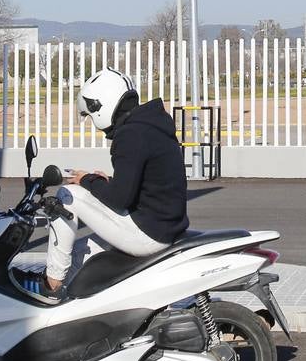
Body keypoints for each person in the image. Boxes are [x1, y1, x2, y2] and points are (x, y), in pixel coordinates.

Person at [21, 68, 189, 301]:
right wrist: (104, 182)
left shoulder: (130, 135)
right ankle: (65, 304)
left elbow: (121, 198)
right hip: (162, 225)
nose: (93, 122)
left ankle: (52, 284)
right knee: (81, 251)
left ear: (102, 105)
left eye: (90, 114)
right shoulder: (151, 125)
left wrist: (87, 180)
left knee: (67, 195)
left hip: (148, 233)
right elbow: (147, 182)